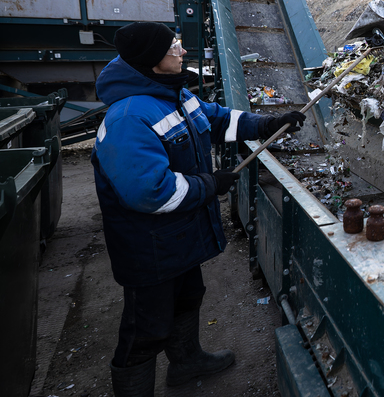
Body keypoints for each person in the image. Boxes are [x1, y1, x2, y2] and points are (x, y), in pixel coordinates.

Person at [91, 21, 306, 396]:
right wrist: (211, 185)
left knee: (189, 297)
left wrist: (268, 123)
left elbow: (219, 119)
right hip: (149, 248)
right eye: (174, 47)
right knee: (146, 329)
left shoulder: (175, 95)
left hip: (181, 237)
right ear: (152, 60)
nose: (182, 52)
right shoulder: (128, 118)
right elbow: (149, 192)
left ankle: (186, 363)